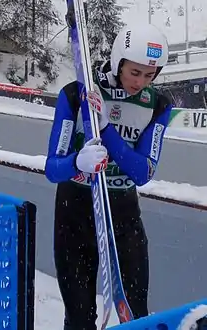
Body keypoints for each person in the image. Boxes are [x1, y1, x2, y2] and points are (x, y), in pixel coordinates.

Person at [45, 22, 172, 330]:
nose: (140, 82)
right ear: (118, 61)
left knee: (136, 311)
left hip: (123, 215)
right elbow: (52, 167)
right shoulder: (77, 94)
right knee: (80, 317)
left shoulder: (158, 105)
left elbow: (142, 171)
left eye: (149, 74)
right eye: (134, 72)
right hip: (75, 212)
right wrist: (78, 162)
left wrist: (106, 130)